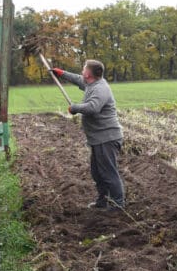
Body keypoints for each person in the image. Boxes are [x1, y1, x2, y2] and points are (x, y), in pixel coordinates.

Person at [49, 59, 125, 210]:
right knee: (97, 173)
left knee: (108, 173)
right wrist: (62, 73)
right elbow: (78, 79)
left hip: (107, 138)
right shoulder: (91, 84)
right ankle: (102, 200)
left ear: (89, 73)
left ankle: (118, 204)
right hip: (98, 139)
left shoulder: (100, 89)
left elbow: (93, 107)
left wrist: (75, 108)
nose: (82, 71)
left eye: (84, 68)